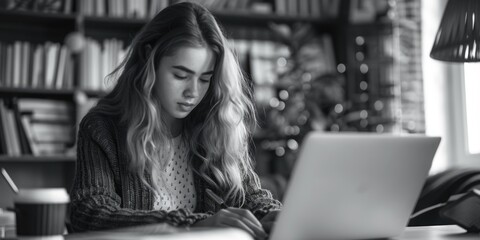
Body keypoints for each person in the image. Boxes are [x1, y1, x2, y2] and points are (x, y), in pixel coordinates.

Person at [69, 2, 282, 239]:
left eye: (205, 79)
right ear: (149, 59)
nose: (193, 92)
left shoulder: (216, 124)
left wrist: (271, 215)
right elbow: (88, 214)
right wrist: (194, 223)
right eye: (181, 75)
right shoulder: (102, 128)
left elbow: (250, 197)